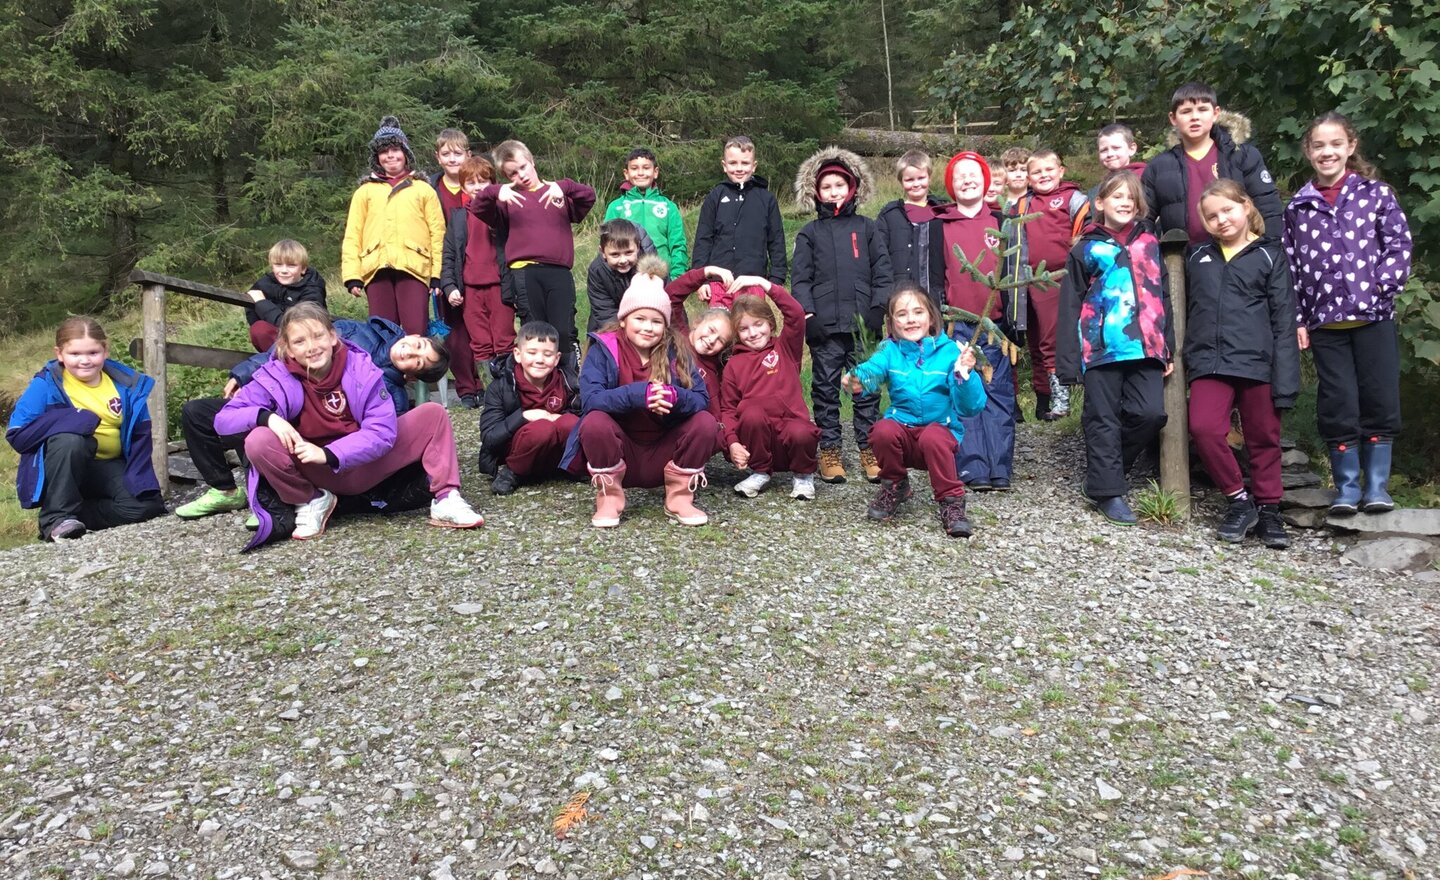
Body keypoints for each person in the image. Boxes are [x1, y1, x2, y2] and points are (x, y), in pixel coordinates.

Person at [215, 304, 482, 547]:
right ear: (287, 348)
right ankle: (310, 500)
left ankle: (446, 498)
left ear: (333, 337)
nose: (311, 347)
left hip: (363, 467)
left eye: (318, 336)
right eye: (300, 341)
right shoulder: (273, 375)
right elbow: (223, 420)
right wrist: (268, 418)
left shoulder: (363, 369)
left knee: (433, 414)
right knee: (257, 440)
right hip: (311, 469)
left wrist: (330, 454)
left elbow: (381, 432)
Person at [175, 317, 449, 519]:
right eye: (419, 344)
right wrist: (245, 374)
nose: (410, 351)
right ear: (415, 334)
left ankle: (268, 498)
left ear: (412, 377)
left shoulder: (391, 393)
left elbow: (376, 440)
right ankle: (224, 489)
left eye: (418, 360)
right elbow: (293, 344)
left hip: (312, 429)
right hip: (279, 391)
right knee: (198, 413)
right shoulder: (359, 328)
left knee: (263, 435)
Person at [1283, 111, 1413, 515]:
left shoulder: (1376, 194)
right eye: (1319, 145)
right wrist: (1299, 320)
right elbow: (1291, 269)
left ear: (1350, 147)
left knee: (1380, 398)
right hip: (1326, 325)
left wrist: (1378, 289)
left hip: (1373, 317)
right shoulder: (1298, 209)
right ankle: (1347, 488)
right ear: (1308, 151)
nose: (1328, 152)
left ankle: (1377, 488)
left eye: (1336, 144)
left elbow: (1399, 247)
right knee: (1338, 402)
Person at [1055, 170, 1174, 525]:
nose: (1124, 203)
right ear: (1100, 203)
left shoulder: (1149, 242)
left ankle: (1107, 471)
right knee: (1102, 419)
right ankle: (1108, 491)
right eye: (1117, 197)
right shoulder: (1086, 248)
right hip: (1101, 347)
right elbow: (1070, 304)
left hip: (1147, 345)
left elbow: (1163, 295)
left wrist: (1168, 345)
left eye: (1131, 198)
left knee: (1151, 413)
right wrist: (1069, 360)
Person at [1187, 179, 1300, 547]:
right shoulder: (1196, 257)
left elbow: (1284, 321)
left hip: (1259, 363)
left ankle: (1269, 510)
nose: (1222, 220)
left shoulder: (1270, 254)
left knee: (1263, 438)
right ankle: (1239, 499)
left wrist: (1285, 379)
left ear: (1246, 207)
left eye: (1228, 210)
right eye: (1212, 216)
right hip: (1211, 362)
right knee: (1204, 428)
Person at [561, 264, 718, 528]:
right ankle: (609, 496)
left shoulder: (677, 350)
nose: (648, 327)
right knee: (594, 422)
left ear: (665, 326)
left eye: (656, 321)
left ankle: (679, 497)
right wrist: (639, 394)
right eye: (640, 319)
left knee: (705, 422)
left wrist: (672, 396)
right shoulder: (604, 347)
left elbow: (702, 399)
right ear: (624, 319)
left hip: (665, 453)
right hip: (622, 452)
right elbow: (591, 399)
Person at [7, 316, 165, 541]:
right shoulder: (46, 384)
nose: (85, 361)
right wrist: (74, 419)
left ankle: (78, 515)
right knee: (71, 439)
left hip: (108, 466)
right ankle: (56, 519)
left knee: (146, 507)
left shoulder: (127, 384)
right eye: (75, 354)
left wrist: (142, 481)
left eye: (93, 353)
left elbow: (141, 437)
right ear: (59, 354)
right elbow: (18, 435)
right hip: (63, 466)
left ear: (105, 350)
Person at [845, 286, 986, 537]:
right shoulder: (889, 350)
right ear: (892, 323)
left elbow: (971, 406)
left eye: (918, 312)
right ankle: (896, 485)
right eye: (902, 314)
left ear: (931, 317)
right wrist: (856, 379)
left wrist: (966, 374)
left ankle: (951, 502)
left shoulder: (951, 352)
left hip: (940, 434)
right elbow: (872, 370)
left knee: (933, 436)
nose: (910, 319)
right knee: (882, 431)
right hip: (904, 432)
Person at [791, 146, 893, 484]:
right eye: (827, 187)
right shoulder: (809, 233)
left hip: (864, 326)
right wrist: (808, 316)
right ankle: (830, 450)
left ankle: (869, 447)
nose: (833, 192)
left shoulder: (867, 228)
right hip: (825, 327)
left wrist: (879, 310)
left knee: (866, 387)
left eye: (839, 185)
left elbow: (883, 272)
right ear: (816, 192)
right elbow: (801, 279)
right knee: (824, 389)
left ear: (852, 188)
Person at [472, 139, 595, 365]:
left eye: (523, 167)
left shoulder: (558, 192)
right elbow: (478, 206)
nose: (521, 175)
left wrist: (565, 186)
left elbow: (589, 196)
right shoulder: (507, 199)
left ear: (532, 161)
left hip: (558, 272)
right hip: (524, 272)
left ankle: (570, 384)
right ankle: (538, 385)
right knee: (535, 331)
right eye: (513, 174)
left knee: (564, 330)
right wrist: (497, 191)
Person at [935, 151, 1017, 490]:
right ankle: (972, 466)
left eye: (974, 174)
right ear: (951, 187)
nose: (968, 179)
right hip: (958, 324)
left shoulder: (1001, 223)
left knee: (999, 393)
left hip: (996, 325)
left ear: (986, 182)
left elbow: (1013, 271)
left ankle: (999, 466)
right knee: (965, 392)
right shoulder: (942, 225)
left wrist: (1013, 320)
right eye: (959, 176)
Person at [341, 115, 447, 336]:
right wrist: (352, 275)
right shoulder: (365, 192)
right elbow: (353, 235)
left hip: (414, 268)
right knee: (382, 332)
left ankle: (416, 371)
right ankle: (386, 371)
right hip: (376, 269)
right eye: (383, 151)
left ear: (405, 153)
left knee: (416, 331)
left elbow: (437, 234)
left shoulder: (423, 189)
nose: (390, 155)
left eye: (395, 149)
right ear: (377, 158)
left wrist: (437, 274)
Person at [1141, 82, 1283, 243]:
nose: (1195, 117)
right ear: (1173, 118)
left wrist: (1269, 250)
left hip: (1242, 256)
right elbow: (1143, 219)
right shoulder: (1159, 167)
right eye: (1186, 111)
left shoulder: (1242, 156)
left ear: (1216, 113)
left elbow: (1269, 208)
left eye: (1202, 109)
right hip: (1185, 261)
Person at [1008, 147, 1090, 421]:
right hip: (1027, 280)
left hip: (1061, 279)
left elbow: (1085, 234)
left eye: (1049, 170)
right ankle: (1043, 398)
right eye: (1037, 172)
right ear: (1028, 177)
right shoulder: (1022, 205)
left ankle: (1062, 398)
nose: (1043, 176)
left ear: (1061, 171)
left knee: (1052, 341)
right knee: (1035, 340)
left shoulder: (1074, 199)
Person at [720, 276, 820, 500]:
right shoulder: (733, 365)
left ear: (770, 324)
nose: (753, 333)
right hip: (758, 445)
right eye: (744, 329)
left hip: (791, 439)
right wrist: (733, 441)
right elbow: (727, 410)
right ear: (737, 334)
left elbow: (795, 314)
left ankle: (803, 476)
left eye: (758, 324)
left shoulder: (785, 348)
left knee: (802, 430)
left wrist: (763, 284)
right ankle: (760, 473)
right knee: (751, 412)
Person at [439, 154, 512, 406]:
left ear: (494, 183)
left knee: (503, 340)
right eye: (471, 182)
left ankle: (510, 391)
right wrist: (449, 287)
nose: (478, 187)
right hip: (469, 290)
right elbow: (449, 256)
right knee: (479, 342)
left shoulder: (503, 212)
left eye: (484, 181)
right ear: (463, 187)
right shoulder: (458, 218)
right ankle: (491, 395)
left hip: (500, 286)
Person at [479, 321, 580, 495]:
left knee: (571, 423)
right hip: (519, 449)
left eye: (547, 354)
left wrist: (559, 417)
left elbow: (586, 418)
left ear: (557, 358)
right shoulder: (500, 387)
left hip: (556, 454)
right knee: (542, 428)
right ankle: (512, 473)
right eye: (532, 353)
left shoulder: (569, 381)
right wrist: (524, 416)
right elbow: (489, 438)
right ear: (518, 354)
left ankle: (572, 466)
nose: (539, 360)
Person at [692, 136, 787, 285]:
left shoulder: (766, 199)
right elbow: (703, 240)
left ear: (754, 166)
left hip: (754, 282)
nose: (739, 168)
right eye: (733, 163)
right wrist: (700, 280)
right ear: (724, 165)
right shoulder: (715, 196)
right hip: (719, 281)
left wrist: (776, 279)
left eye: (745, 163)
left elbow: (776, 242)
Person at [875, 149, 948, 310]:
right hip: (902, 295)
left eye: (921, 178)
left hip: (937, 295)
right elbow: (880, 256)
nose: (916, 184)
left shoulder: (943, 211)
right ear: (901, 182)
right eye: (909, 180)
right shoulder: (890, 214)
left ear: (929, 177)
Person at [603, 148, 688, 280]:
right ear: (626, 173)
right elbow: (606, 244)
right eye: (635, 168)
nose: (641, 173)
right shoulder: (616, 207)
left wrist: (678, 277)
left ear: (655, 172)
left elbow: (677, 244)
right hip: (626, 278)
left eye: (646, 168)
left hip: (662, 278)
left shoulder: (669, 207)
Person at [243, 239, 327, 352]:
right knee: (259, 329)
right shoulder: (264, 283)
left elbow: (300, 325)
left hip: (309, 339)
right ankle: (280, 363)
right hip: (280, 340)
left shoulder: (312, 288)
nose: (284, 270)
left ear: (303, 269)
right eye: (278, 265)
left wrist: (262, 303)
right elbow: (251, 312)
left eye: (291, 266)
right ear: (272, 266)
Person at [586, 219, 659, 333]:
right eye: (615, 254)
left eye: (628, 252)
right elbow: (604, 311)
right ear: (603, 252)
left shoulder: (653, 267)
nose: (623, 260)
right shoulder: (597, 271)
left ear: (638, 247)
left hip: (648, 324)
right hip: (611, 325)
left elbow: (668, 300)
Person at [1089, 124, 1147, 210]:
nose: (1110, 154)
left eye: (1116, 148)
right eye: (1104, 150)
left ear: (1132, 149)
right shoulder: (1097, 190)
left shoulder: (1145, 179)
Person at [429, 128, 472, 221]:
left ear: (468, 155)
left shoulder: (481, 186)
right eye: (445, 154)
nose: (452, 159)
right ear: (438, 157)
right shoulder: (429, 188)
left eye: (458, 153)